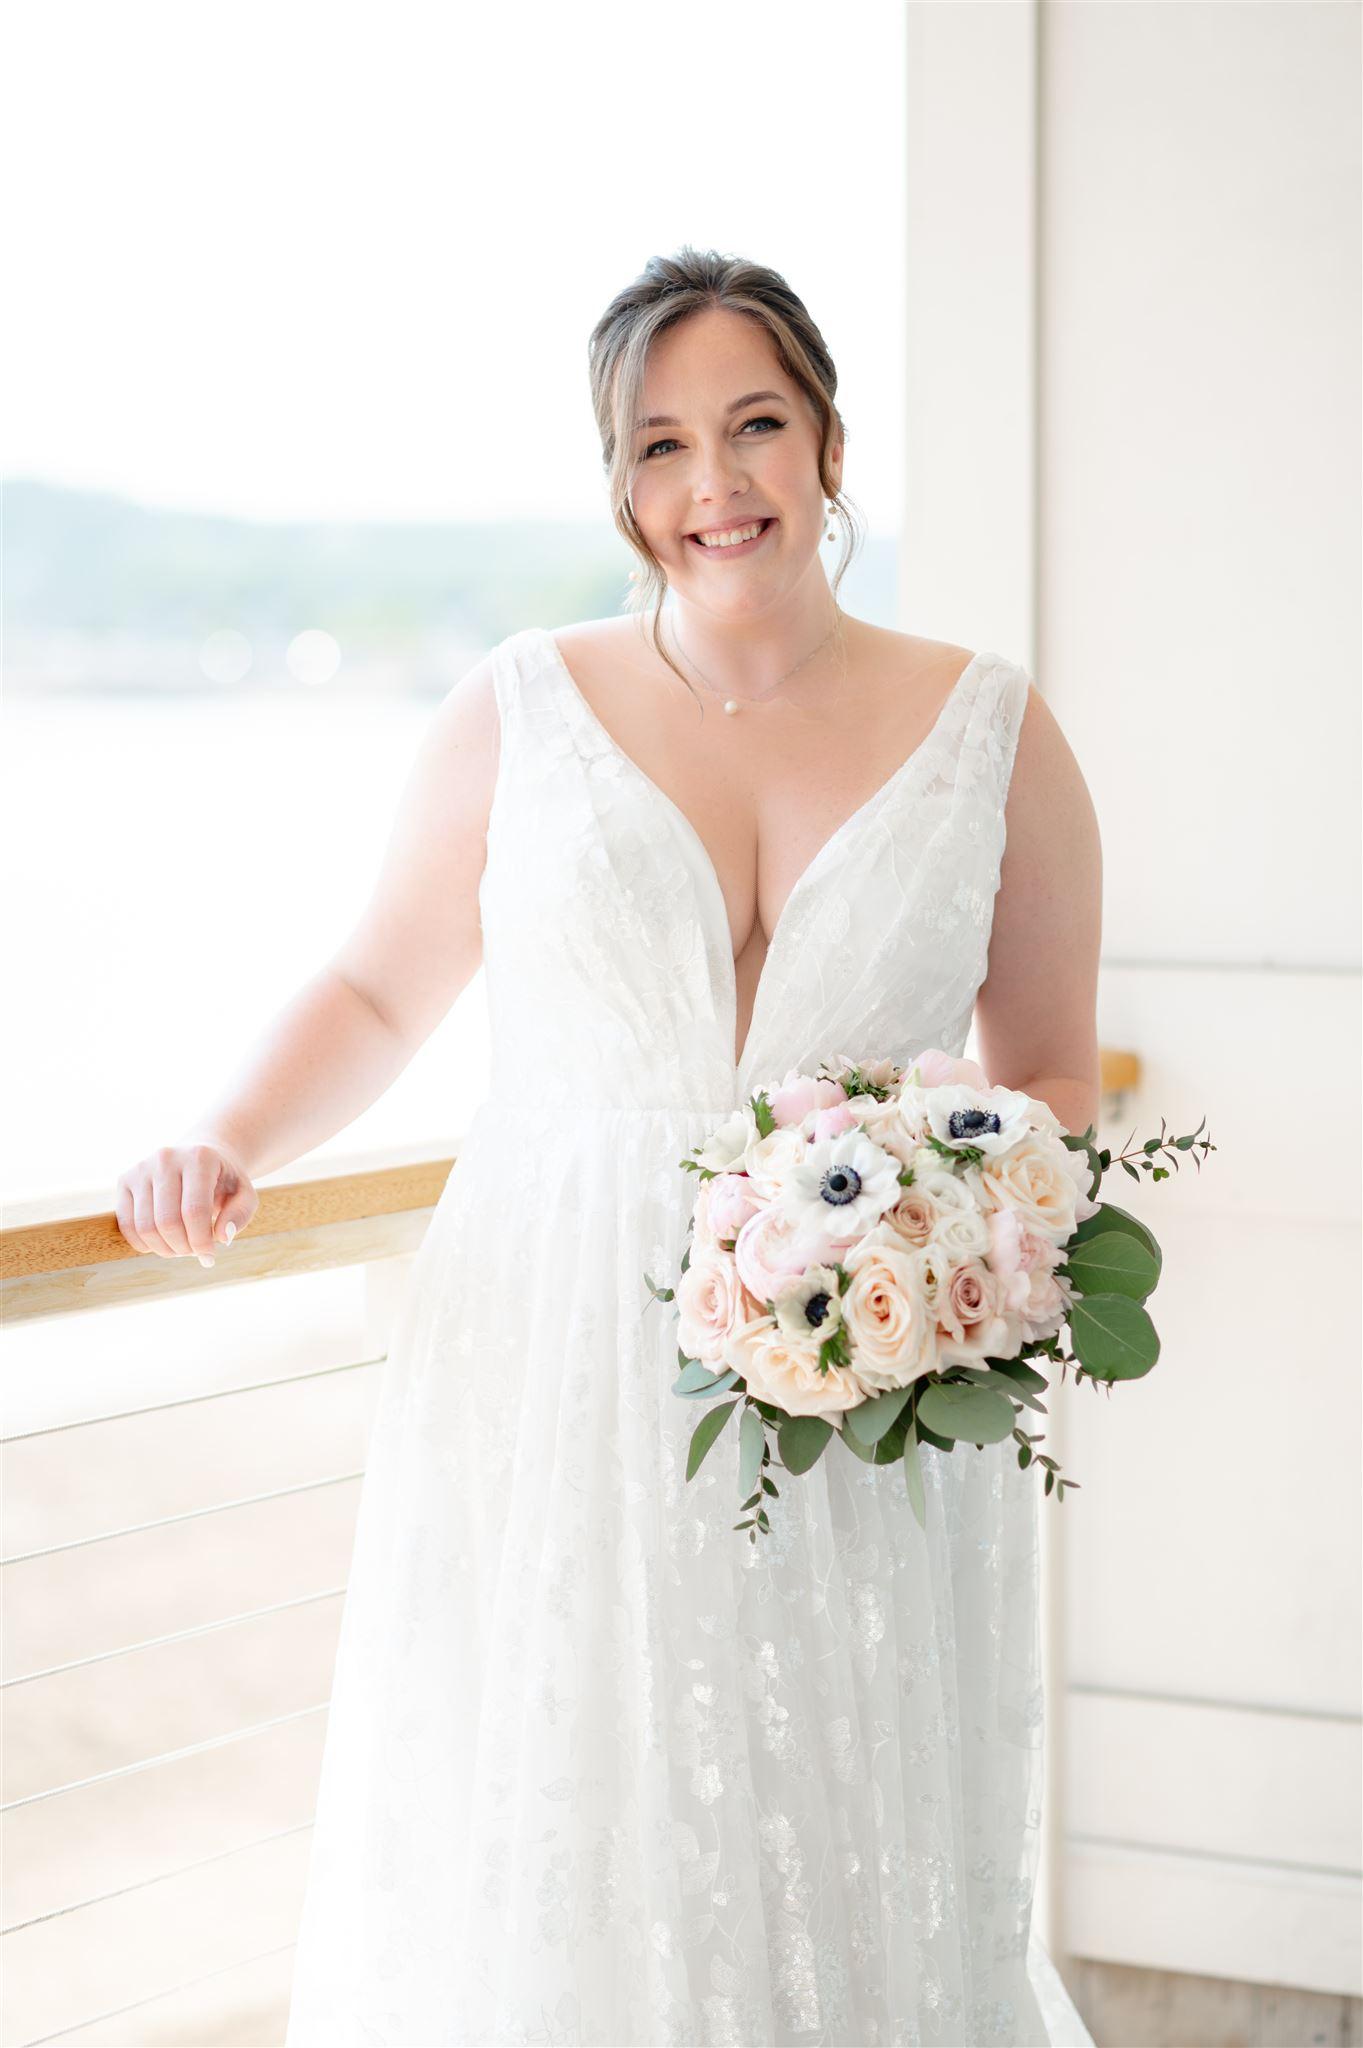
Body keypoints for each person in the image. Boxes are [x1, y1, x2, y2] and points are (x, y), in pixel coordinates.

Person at [116, 248, 1102, 2046]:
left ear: (824, 443)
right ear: (618, 480)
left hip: (858, 1384)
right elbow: (371, 984)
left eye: (752, 428)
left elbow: (1046, 1087)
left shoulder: (997, 727)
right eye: (661, 446)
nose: (712, 487)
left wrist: (927, 1268)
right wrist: (222, 1132)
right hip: (552, 1344)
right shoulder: (519, 708)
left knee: (837, 1793)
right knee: (571, 1790)